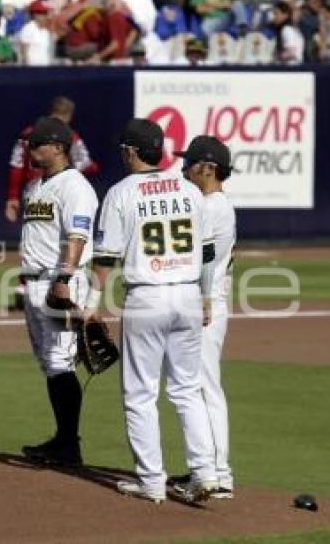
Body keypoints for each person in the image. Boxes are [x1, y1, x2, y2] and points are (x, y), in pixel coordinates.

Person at [88, 118, 218, 504]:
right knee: (187, 390)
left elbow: (105, 258)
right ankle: (205, 472)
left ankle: (151, 481)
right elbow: (208, 253)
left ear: (130, 151)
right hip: (189, 295)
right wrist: (207, 296)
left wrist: (93, 305)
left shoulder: (121, 193)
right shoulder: (190, 190)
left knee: (140, 394)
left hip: (148, 296)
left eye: (123, 150)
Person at [17, 116, 98, 467]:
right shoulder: (35, 187)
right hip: (35, 281)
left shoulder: (74, 186)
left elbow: (76, 237)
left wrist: (63, 280)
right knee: (50, 365)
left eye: (38, 143)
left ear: (59, 147)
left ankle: (69, 445)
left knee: (61, 362)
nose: (31, 148)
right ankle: (62, 441)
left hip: (59, 281)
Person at [178, 135, 237, 500]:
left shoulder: (213, 206)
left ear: (209, 168)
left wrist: (201, 300)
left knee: (204, 385)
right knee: (199, 385)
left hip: (207, 305)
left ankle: (219, 472)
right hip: (207, 302)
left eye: (191, 163)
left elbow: (206, 259)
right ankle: (211, 468)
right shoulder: (211, 203)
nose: (185, 169)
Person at [5, 96, 98, 224]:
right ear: (69, 115)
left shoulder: (28, 134)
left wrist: (13, 196)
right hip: (58, 192)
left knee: (37, 232)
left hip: (34, 193)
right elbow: (85, 165)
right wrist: (94, 167)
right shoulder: (70, 137)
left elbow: (17, 165)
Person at [19, 0, 54, 66]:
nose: (46, 16)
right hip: (32, 71)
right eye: (43, 13)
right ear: (35, 14)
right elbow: (23, 52)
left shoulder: (45, 31)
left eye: (46, 13)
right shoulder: (28, 29)